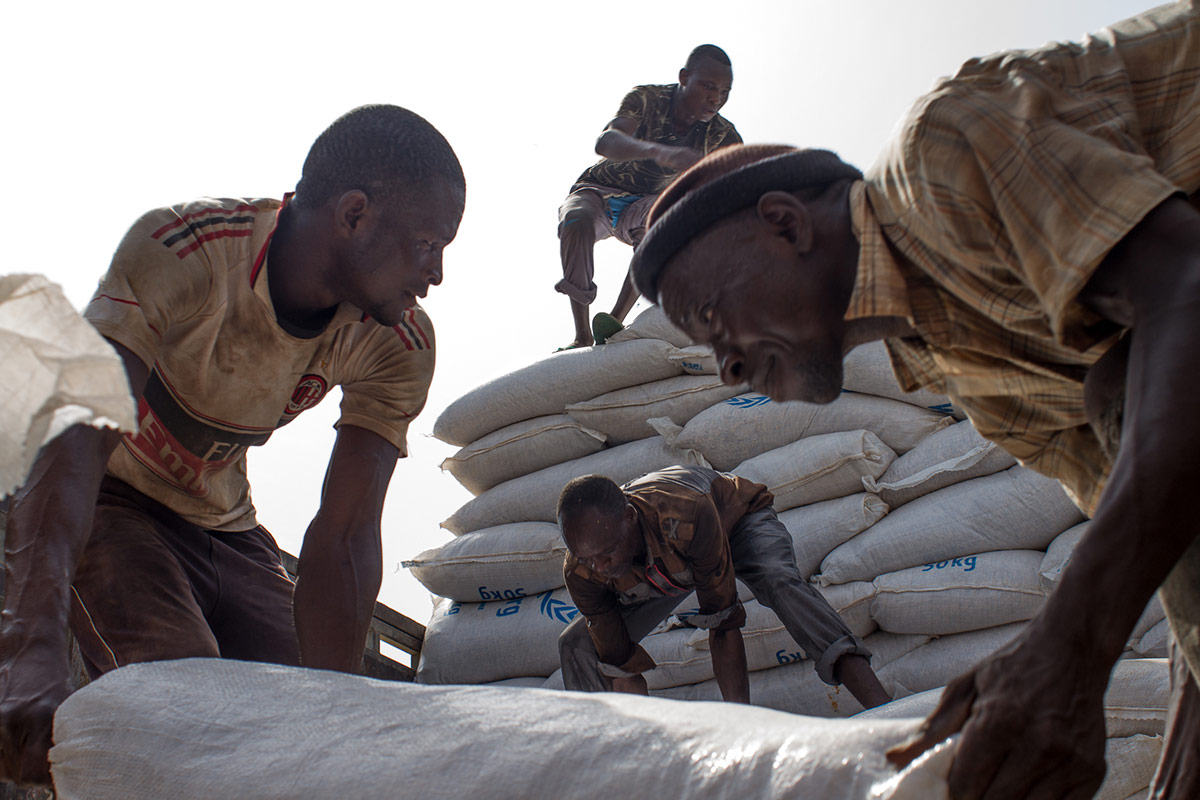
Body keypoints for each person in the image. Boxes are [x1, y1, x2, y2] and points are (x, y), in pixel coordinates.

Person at [628, 3, 1200, 796]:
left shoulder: (943, 150)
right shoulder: (965, 373)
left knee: (1129, 384)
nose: (725, 369)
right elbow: (1172, 534)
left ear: (785, 224)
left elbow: (1190, 302)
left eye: (713, 320)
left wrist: (1069, 645)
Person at [0, 104, 465, 787]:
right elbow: (75, 437)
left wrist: (339, 725)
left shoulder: (398, 343)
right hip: (114, 500)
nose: (437, 274)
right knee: (190, 721)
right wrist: (28, 646)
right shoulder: (185, 250)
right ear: (355, 214)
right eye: (429, 244)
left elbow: (344, 535)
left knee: (294, 730)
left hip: (228, 526)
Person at [556, 466, 890, 709]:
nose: (600, 566)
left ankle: (880, 705)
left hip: (734, 523)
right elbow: (619, 664)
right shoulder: (584, 572)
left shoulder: (683, 514)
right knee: (577, 644)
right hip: (662, 569)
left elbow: (723, 624)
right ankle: (606, 761)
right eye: (588, 559)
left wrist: (737, 725)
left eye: (605, 553)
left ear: (629, 518)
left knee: (779, 581)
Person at [555, 44, 742, 350]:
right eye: (708, 87)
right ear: (684, 78)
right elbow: (606, 142)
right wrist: (658, 151)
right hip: (598, 191)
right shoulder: (648, 99)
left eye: (725, 92)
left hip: (646, 207)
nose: (715, 99)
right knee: (576, 222)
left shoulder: (723, 136)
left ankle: (614, 323)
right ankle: (582, 334)